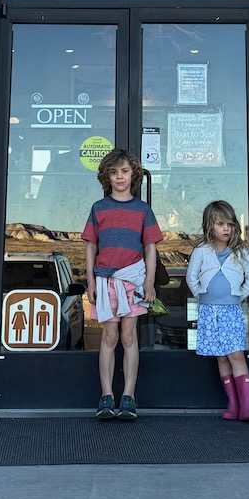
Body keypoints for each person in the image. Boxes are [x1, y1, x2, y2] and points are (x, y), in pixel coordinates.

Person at [82, 147, 163, 420]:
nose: (120, 177)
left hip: (133, 281)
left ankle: (128, 397)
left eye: (125, 171)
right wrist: (90, 280)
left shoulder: (142, 210)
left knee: (129, 337)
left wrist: (149, 282)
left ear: (133, 175)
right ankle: (107, 397)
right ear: (107, 176)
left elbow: (150, 247)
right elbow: (91, 245)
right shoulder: (99, 208)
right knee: (109, 336)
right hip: (105, 281)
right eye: (114, 172)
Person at [185, 199, 249, 420]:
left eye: (229, 224)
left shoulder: (241, 252)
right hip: (209, 311)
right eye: (220, 224)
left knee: (236, 354)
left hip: (231, 311)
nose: (226, 228)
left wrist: (238, 295)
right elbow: (192, 276)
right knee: (221, 357)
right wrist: (202, 295)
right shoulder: (201, 251)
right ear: (210, 225)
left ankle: (247, 405)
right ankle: (233, 405)